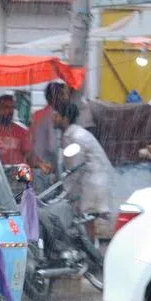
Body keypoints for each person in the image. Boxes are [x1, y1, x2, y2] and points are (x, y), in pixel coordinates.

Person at [54, 102, 113, 238]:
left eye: (56, 116)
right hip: (92, 182)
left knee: (88, 221)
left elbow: (74, 169)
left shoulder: (75, 138)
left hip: (93, 184)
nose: (54, 119)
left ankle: (92, 252)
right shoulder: (73, 134)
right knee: (88, 221)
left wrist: (64, 193)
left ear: (65, 119)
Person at [0, 94, 39, 170]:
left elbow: (29, 157)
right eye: (6, 107)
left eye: (12, 108)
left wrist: (40, 164)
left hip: (19, 176)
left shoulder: (23, 132)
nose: (10, 111)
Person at [29, 82, 67, 184]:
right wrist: (60, 169)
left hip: (35, 165)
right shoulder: (53, 116)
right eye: (63, 95)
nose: (65, 99)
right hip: (47, 168)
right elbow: (52, 146)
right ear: (56, 96)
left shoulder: (37, 114)